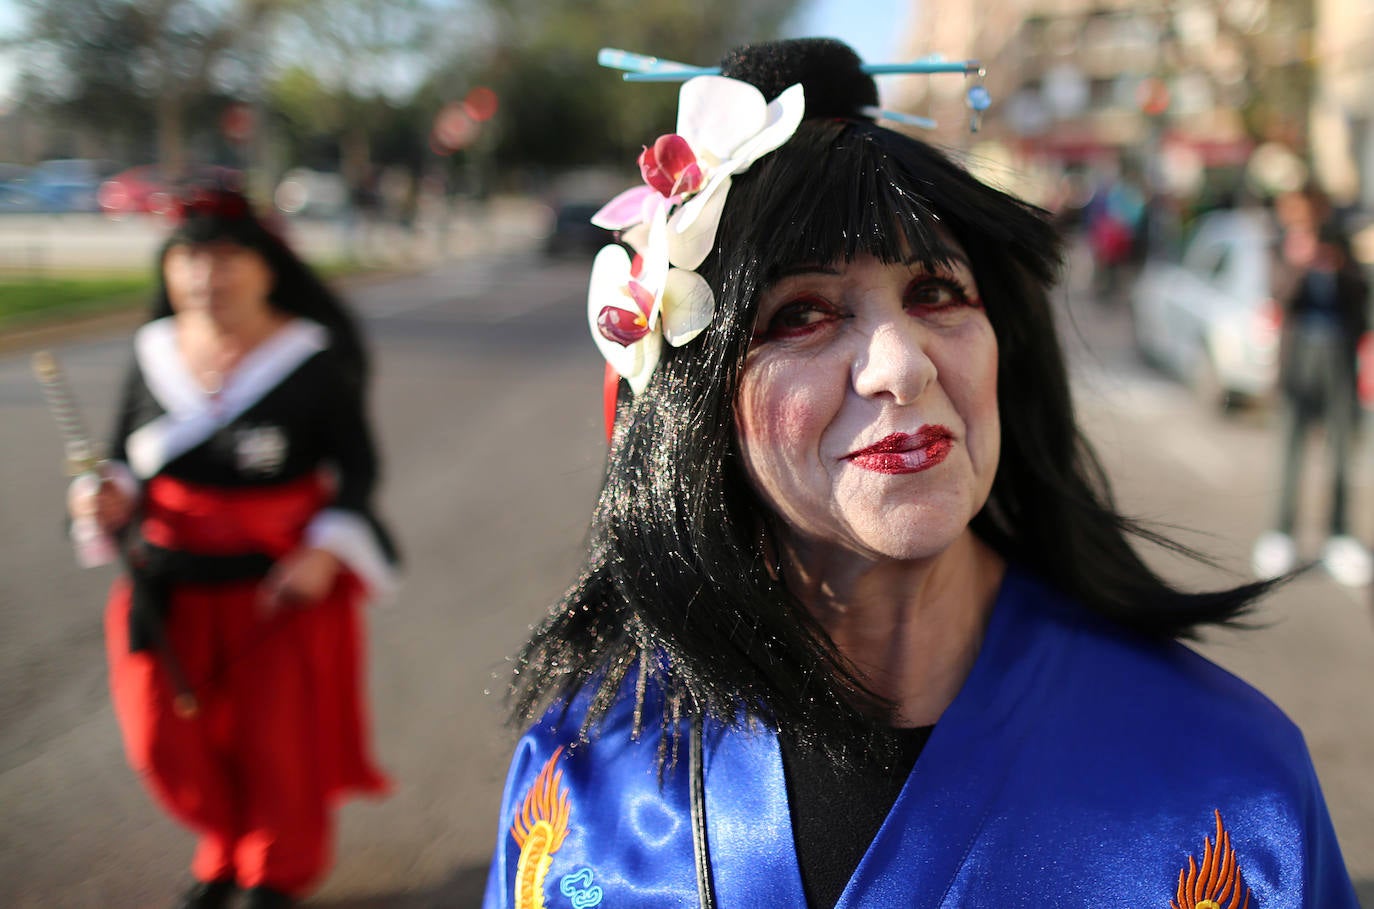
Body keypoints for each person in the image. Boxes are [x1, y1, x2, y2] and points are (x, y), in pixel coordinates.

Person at [481, 39, 1357, 908]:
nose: (901, 364)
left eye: (936, 294)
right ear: (693, 403)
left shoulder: (1234, 785)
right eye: (804, 314)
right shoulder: (581, 798)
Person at [67, 184, 398, 909]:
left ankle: (275, 866)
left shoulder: (311, 358)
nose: (203, 277)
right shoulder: (154, 351)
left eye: (224, 259)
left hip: (275, 584)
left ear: (265, 266)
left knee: (278, 740)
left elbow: (359, 468)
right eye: (187, 259)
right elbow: (123, 457)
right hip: (169, 580)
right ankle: (224, 839)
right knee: (163, 733)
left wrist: (321, 551)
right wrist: (109, 493)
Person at [1251, 185, 1371, 587]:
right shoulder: (1277, 246)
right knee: (1291, 450)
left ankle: (1338, 535)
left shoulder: (1339, 246)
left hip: (1338, 356)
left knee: (1340, 450)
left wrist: (1336, 264)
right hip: (1297, 359)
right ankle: (1280, 533)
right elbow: (1278, 294)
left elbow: (1361, 296)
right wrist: (1302, 263)